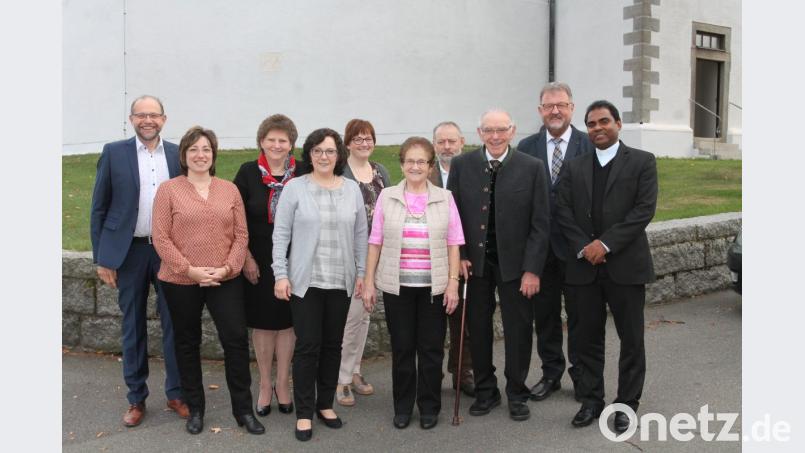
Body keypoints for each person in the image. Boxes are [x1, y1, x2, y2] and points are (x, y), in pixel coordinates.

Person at [152, 126, 264, 435]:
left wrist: (228, 269)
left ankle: (243, 411)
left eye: (206, 150)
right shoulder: (168, 190)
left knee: (235, 341)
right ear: (184, 155)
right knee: (187, 343)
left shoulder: (228, 189)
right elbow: (160, 238)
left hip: (224, 279)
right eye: (194, 150)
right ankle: (196, 409)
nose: (200, 155)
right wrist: (189, 270)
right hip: (180, 279)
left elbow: (242, 235)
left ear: (213, 155)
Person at [554, 100, 657, 433]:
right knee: (586, 339)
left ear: (618, 124)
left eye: (603, 122)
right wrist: (585, 247)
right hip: (584, 266)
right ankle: (591, 400)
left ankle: (627, 403)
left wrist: (606, 244)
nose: (597, 128)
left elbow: (643, 210)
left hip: (625, 267)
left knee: (631, 339)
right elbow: (563, 211)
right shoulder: (574, 165)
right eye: (591, 124)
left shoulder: (642, 162)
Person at [90, 95, 188, 427]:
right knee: (132, 326)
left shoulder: (178, 154)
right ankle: (136, 398)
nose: (148, 120)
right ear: (131, 119)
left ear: (164, 118)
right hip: (128, 252)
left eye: (154, 115)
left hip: (169, 252)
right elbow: (99, 208)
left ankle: (176, 393)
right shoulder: (114, 153)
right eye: (141, 115)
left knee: (175, 323)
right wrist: (102, 257)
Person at [446, 109, 550, 422]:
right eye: (489, 130)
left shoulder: (532, 168)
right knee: (477, 329)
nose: (495, 136)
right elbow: (453, 218)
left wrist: (532, 269)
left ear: (512, 131)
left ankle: (517, 392)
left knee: (518, 330)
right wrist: (460, 254)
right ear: (479, 133)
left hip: (517, 267)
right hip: (474, 265)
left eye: (501, 130)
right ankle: (486, 390)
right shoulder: (463, 165)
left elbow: (541, 223)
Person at [271, 128, 368, 442]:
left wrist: (362, 274)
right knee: (308, 345)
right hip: (306, 282)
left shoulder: (352, 189)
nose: (324, 156)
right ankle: (304, 412)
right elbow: (281, 235)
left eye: (329, 151)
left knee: (332, 345)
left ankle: (325, 404)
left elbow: (360, 237)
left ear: (338, 154)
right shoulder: (295, 188)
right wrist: (280, 274)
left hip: (340, 281)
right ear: (309, 154)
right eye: (317, 151)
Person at [363, 137, 464, 430]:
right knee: (404, 348)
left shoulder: (445, 198)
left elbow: (454, 244)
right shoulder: (388, 196)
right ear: (402, 164)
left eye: (422, 161)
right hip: (398, 288)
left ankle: (429, 407)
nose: (415, 166)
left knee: (432, 350)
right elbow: (375, 242)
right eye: (410, 161)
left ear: (430, 166)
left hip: (434, 287)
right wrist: (369, 281)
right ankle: (403, 407)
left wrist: (453, 284)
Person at [516, 82, 594, 402]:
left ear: (572, 108)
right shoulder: (526, 147)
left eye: (561, 105)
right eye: (549, 106)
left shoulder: (589, 146)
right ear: (540, 111)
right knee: (545, 317)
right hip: (540, 251)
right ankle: (551, 373)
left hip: (577, 249)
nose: (555, 111)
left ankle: (581, 373)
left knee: (579, 316)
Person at [233, 114, 298, 418]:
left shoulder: (303, 173)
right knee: (263, 323)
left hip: (294, 259)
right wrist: (245, 256)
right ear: (261, 141)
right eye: (270, 139)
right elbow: (234, 218)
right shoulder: (247, 173)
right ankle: (264, 384)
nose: (276, 144)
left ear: (291, 145)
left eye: (282, 140)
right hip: (257, 260)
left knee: (287, 322)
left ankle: (283, 383)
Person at [336, 118, 391, 406]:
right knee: (352, 317)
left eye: (368, 138)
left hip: (378, 254)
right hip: (351, 254)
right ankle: (342, 379)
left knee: (365, 314)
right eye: (357, 138)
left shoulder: (380, 171)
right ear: (347, 143)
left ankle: (355, 372)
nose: (364, 143)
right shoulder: (341, 173)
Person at [429, 121, 474, 397]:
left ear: (462, 142)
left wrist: (465, 256)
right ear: (434, 144)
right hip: (431, 257)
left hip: (464, 257)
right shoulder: (423, 170)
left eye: (452, 141)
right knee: (433, 323)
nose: (447, 147)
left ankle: (462, 370)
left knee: (463, 321)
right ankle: (432, 374)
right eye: (441, 142)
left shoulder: (472, 170)